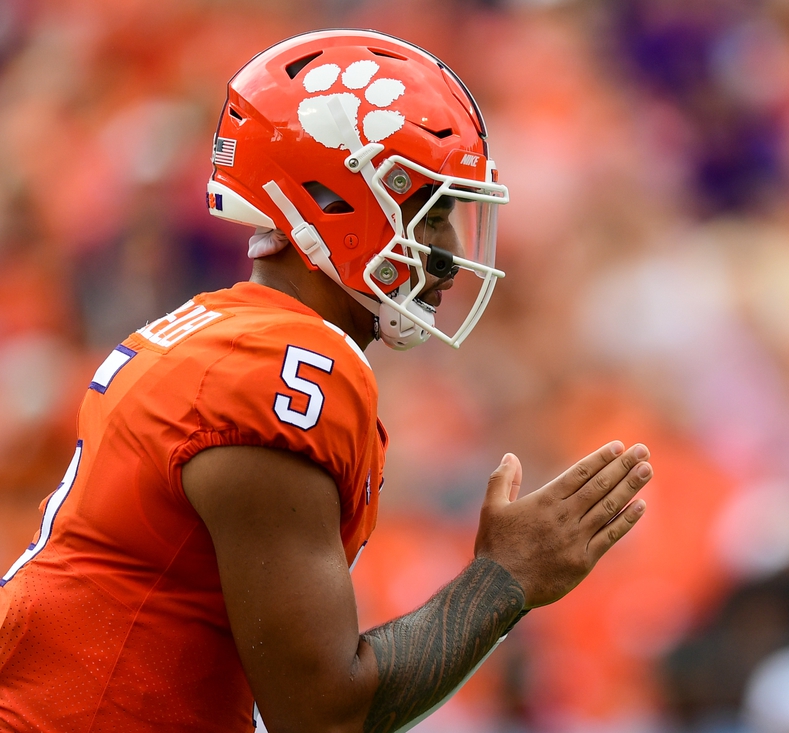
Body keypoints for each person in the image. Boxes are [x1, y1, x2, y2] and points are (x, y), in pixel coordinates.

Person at [0, 29, 652, 732]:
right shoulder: (280, 367)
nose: (453, 253)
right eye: (431, 215)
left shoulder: (217, 331)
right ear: (333, 201)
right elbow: (321, 713)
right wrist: (504, 580)